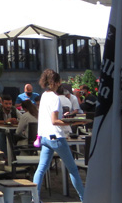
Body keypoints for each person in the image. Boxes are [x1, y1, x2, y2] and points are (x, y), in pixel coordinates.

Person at [33, 69, 85, 201]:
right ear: (57, 82)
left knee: (41, 169)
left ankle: (35, 198)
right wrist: (72, 122)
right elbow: (55, 121)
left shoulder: (44, 95)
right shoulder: (55, 98)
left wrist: (64, 118)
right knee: (73, 169)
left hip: (44, 136)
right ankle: (85, 198)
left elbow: (51, 118)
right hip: (56, 137)